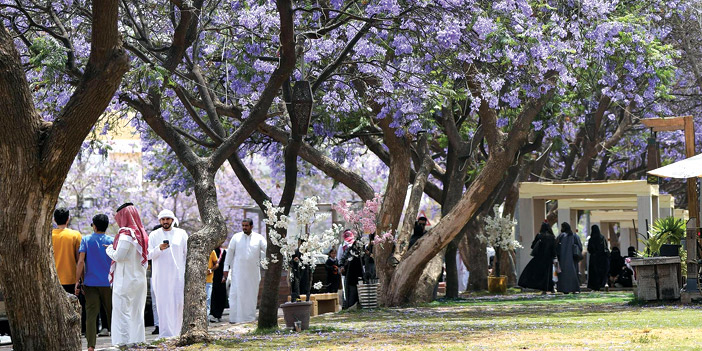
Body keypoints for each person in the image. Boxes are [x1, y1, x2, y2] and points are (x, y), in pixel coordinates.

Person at [106, 203, 148, 346]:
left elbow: (119, 255)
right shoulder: (142, 234)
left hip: (125, 280)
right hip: (139, 279)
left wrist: (110, 249)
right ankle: (137, 341)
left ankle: (122, 343)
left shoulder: (126, 234)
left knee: (121, 311)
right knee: (137, 312)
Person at [76, 214, 114, 351]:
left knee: (91, 315)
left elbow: (81, 262)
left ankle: (91, 346)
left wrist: (77, 281)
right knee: (112, 312)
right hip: (109, 283)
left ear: (94, 226)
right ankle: (115, 341)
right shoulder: (112, 240)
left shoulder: (86, 240)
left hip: (90, 283)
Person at [148, 209, 188, 338]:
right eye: (163, 219)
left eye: (168, 219)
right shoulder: (154, 235)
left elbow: (187, 254)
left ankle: (178, 333)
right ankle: (165, 334)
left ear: (172, 220)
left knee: (178, 303)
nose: (165, 222)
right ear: (160, 221)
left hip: (178, 275)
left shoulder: (181, 233)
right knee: (163, 304)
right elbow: (148, 254)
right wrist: (159, 248)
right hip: (161, 276)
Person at [222, 218, 267, 323]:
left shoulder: (259, 238)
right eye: (243, 225)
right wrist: (226, 268)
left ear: (251, 226)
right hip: (238, 272)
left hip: (253, 273)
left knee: (251, 295)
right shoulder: (236, 237)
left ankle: (249, 318)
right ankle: (235, 318)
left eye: (246, 226)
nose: (244, 228)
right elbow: (229, 254)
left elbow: (268, 250)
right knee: (236, 294)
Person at [51, 208, 86, 332]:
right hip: (72, 279)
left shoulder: (49, 236)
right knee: (74, 311)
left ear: (54, 219)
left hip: (54, 280)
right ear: (68, 219)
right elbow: (80, 260)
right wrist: (82, 279)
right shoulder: (75, 235)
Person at [518, 222, 557, 293]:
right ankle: (550, 288)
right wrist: (554, 257)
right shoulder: (552, 237)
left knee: (537, 273)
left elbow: (533, 246)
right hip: (548, 258)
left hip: (538, 258)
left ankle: (541, 288)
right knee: (547, 274)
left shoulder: (539, 236)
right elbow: (554, 249)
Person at [340, 232, 364, 309]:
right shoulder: (349, 250)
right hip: (350, 274)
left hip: (359, 275)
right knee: (351, 292)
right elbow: (342, 259)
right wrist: (342, 266)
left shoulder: (361, 252)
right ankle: (350, 306)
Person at [556, 222, 582, 294]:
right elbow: (580, 247)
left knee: (563, 274)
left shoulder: (561, 236)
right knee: (574, 273)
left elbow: (556, 247)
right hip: (573, 259)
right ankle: (574, 288)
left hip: (563, 260)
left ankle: (564, 289)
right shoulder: (575, 236)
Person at [587, 225, 610, 291]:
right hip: (602, 258)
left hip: (594, 258)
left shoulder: (591, 239)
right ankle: (601, 284)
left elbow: (589, 249)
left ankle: (594, 286)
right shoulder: (602, 238)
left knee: (594, 272)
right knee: (601, 272)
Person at [208, 247, 227, 323]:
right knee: (212, 295)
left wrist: (225, 276)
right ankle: (212, 314)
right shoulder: (209, 250)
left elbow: (225, 264)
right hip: (210, 277)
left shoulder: (223, 252)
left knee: (221, 295)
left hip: (220, 277)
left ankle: (219, 314)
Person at [206, 249, 217, 316]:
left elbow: (217, 263)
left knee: (207, 302)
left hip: (208, 281)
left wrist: (211, 270)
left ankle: (207, 322)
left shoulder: (211, 251)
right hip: (197, 281)